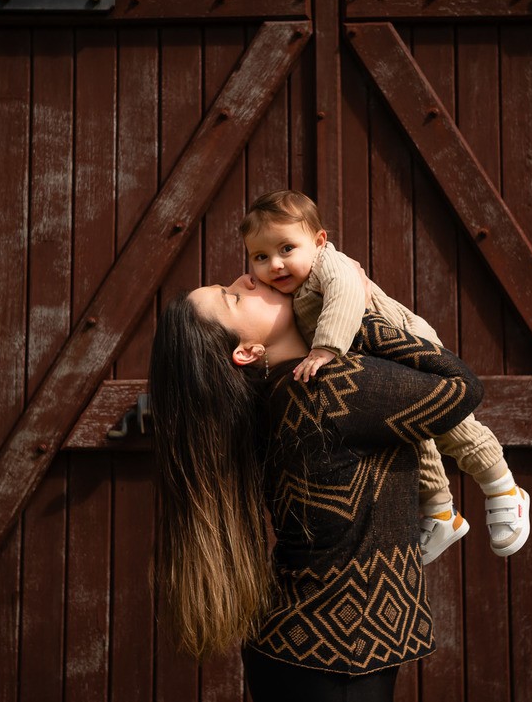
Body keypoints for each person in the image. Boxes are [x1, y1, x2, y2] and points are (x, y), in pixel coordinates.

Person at [149, 273, 486, 700]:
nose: (246, 279)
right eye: (232, 299)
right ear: (247, 352)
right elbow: (462, 388)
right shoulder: (326, 387)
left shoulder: (280, 392)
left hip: (312, 643)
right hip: (338, 655)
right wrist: (357, 311)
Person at [239, 190, 529, 561]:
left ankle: (503, 488)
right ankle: (441, 512)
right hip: (375, 364)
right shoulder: (289, 287)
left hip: (408, 348)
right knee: (412, 434)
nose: (275, 265)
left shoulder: (331, 264)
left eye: (286, 249)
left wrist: (325, 348)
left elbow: (346, 294)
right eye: (261, 257)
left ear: (319, 241)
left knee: (451, 426)